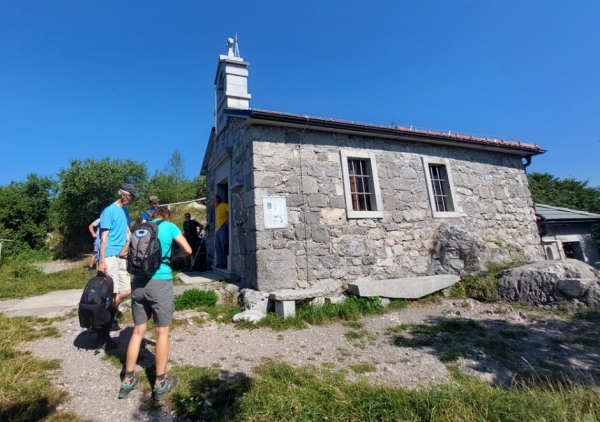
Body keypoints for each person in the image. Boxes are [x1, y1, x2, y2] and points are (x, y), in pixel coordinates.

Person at [117, 206, 192, 401]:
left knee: (137, 332)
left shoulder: (140, 229)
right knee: (162, 332)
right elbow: (188, 249)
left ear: (153, 216)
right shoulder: (170, 227)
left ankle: (128, 380)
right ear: (167, 216)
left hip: (139, 283)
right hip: (160, 283)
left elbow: (123, 254)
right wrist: (169, 256)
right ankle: (160, 384)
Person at [98, 183, 136, 307]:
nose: (132, 200)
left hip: (122, 254)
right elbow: (104, 237)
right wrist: (102, 261)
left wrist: (134, 246)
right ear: (124, 194)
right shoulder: (108, 211)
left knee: (126, 290)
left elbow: (127, 232)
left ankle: (109, 310)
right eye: (131, 197)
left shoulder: (125, 211)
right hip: (109, 254)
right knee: (111, 289)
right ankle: (107, 317)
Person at [211, 194, 228, 269]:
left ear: (217, 199)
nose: (212, 201)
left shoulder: (223, 205)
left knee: (224, 245)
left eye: (213, 199)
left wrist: (228, 219)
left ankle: (226, 263)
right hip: (218, 229)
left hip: (223, 227)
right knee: (217, 246)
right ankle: (222, 262)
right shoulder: (216, 208)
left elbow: (231, 210)